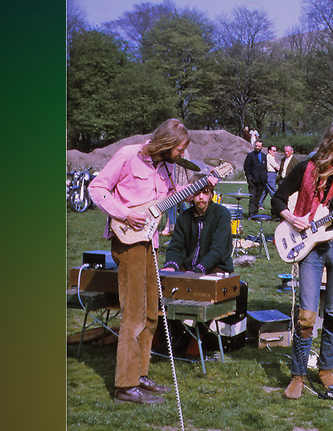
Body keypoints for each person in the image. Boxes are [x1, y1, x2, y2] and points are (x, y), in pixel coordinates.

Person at [89, 118, 213, 404]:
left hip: (150, 242)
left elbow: (170, 197)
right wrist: (124, 214)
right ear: (167, 144)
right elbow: (97, 189)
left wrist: (199, 186)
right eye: (180, 149)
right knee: (133, 313)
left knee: (150, 313)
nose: (182, 154)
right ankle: (125, 386)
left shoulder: (166, 166)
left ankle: (140, 374)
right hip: (128, 242)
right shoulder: (128, 155)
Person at [271, 122, 333, 400]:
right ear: (328, 144)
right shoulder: (306, 168)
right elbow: (277, 199)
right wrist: (292, 218)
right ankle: (298, 375)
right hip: (310, 249)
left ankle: (326, 370)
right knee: (306, 315)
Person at [162, 178, 247, 352]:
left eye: (205, 192)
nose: (201, 197)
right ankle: (166, 336)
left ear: (211, 194)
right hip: (188, 269)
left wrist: (198, 271)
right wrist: (171, 266)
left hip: (216, 268)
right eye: (197, 193)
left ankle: (194, 338)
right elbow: (176, 247)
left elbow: (217, 249)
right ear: (191, 195)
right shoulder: (184, 217)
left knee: (204, 294)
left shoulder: (222, 214)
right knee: (163, 287)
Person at [243, 139, 268, 218]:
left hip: (262, 180)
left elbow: (264, 168)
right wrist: (249, 178)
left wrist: (265, 177)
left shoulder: (264, 156)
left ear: (262, 147)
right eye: (256, 145)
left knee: (258, 198)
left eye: (259, 146)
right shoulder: (250, 155)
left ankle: (255, 214)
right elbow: (246, 167)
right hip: (253, 180)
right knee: (253, 197)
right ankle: (251, 214)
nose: (257, 147)